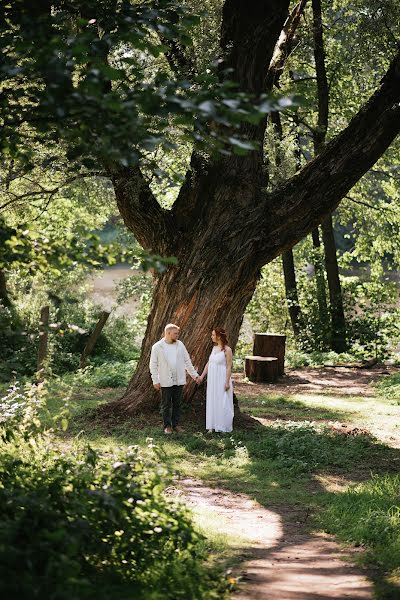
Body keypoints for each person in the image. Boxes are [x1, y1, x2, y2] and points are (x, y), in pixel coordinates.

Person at [149, 323, 200, 434]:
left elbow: (187, 361)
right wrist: (155, 380)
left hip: (179, 379)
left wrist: (194, 375)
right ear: (168, 333)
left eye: (177, 333)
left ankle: (175, 425)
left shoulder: (180, 344)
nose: (177, 335)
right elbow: (153, 365)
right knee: (166, 404)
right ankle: (167, 426)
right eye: (175, 333)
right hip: (165, 380)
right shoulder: (157, 347)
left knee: (177, 403)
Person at [199, 327, 234, 433]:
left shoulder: (227, 350)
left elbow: (229, 366)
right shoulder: (214, 348)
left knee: (222, 401)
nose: (212, 337)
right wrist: (201, 376)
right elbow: (209, 363)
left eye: (213, 335)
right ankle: (211, 425)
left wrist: (227, 382)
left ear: (219, 336)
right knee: (212, 400)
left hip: (222, 378)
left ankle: (222, 426)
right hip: (212, 379)